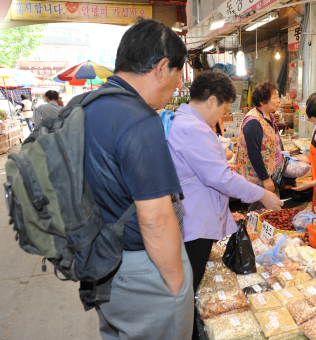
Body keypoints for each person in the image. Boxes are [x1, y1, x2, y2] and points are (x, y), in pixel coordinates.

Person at [82, 19, 193, 340]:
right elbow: (156, 220)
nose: (175, 88)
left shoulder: (86, 106)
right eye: (176, 76)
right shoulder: (140, 121)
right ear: (161, 68)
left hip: (98, 262)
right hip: (141, 269)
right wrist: (175, 283)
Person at [164, 71, 283, 340]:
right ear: (212, 101)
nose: (222, 116)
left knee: (188, 284)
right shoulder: (193, 128)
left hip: (192, 215)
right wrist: (262, 194)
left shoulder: (181, 121)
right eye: (224, 108)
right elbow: (220, 178)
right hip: (195, 223)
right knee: (187, 287)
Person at [235, 80, 282, 209]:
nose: (278, 100)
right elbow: (254, 153)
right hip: (255, 180)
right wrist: (265, 179)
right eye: (275, 97)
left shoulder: (268, 116)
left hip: (264, 175)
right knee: (258, 213)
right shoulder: (253, 122)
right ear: (262, 101)